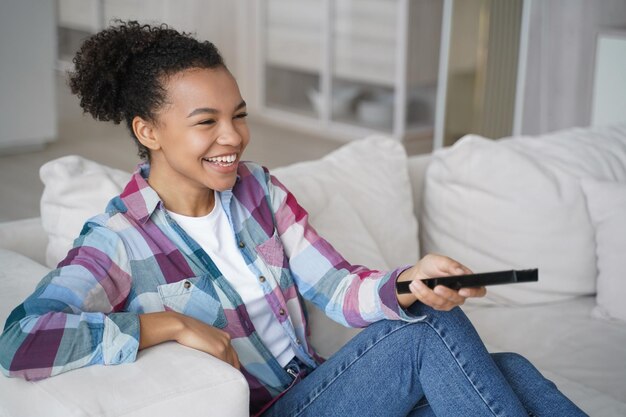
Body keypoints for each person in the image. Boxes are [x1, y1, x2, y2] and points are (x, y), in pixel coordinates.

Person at [0, 21, 586, 417]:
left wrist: (410, 283)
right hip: (275, 411)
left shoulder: (257, 189)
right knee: (431, 332)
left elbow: (335, 287)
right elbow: (20, 341)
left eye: (239, 115)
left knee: (509, 369)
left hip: (319, 386)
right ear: (147, 131)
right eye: (207, 121)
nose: (232, 136)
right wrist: (168, 325)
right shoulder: (120, 240)